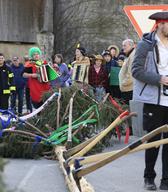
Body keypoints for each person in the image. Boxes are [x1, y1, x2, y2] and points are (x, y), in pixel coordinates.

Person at [132, 11, 168, 191]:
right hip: (153, 100)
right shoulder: (145, 45)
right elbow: (136, 71)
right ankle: (149, 178)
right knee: (153, 141)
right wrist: (159, 79)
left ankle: (166, 181)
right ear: (160, 24)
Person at [119, 39, 135, 105]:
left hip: (129, 89)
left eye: (125, 45)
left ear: (131, 45)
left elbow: (131, 74)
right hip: (127, 88)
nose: (123, 48)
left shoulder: (133, 56)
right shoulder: (130, 55)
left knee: (127, 110)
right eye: (122, 46)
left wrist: (123, 83)